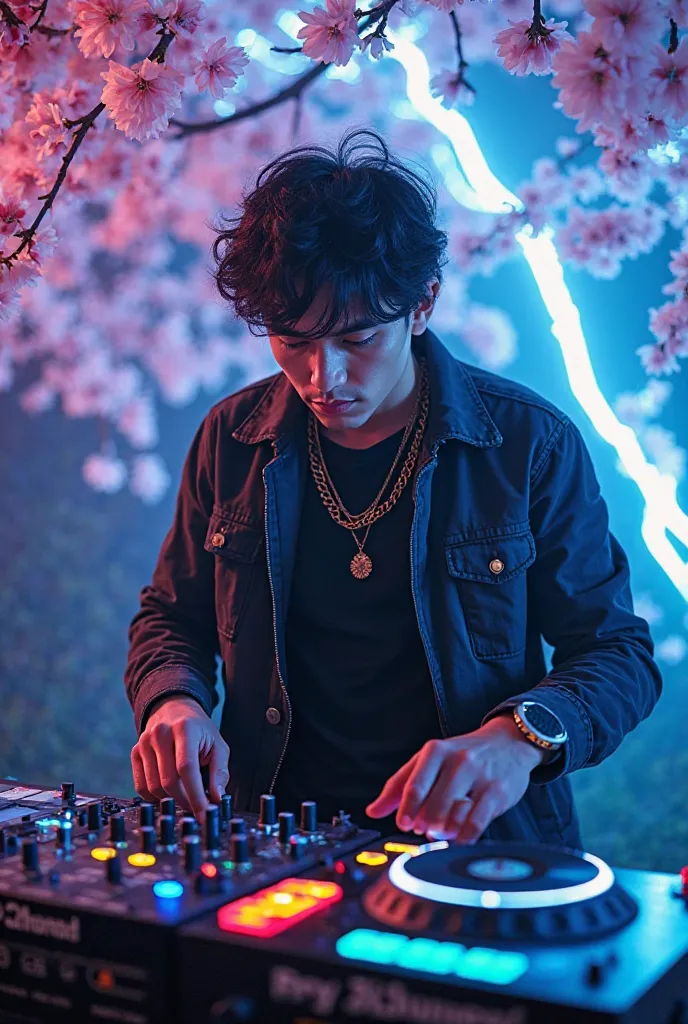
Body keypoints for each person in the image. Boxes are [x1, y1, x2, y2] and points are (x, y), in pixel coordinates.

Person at [124, 127, 662, 848]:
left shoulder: (530, 444)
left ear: (422, 305)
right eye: (292, 340)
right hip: (273, 838)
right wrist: (173, 703)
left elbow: (617, 652)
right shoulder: (232, 438)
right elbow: (171, 618)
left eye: (355, 340)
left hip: (482, 852)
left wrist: (518, 737)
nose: (323, 379)